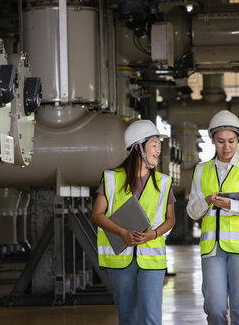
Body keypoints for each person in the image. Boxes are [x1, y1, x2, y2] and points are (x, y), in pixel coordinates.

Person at [91, 119, 176, 325]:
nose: (158, 150)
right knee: (127, 316)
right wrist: (122, 232)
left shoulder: (164, 182)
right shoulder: (111, 178)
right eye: (154, 144)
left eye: (159, 145)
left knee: (151, 316)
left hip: (152, 258)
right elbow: (97, 214)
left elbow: (170, 218)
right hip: (121, 259)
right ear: (138, 147)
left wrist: (153, 234)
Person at [187, 110, 239, 325]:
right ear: (212, 140)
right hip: (213, 249)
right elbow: (193, 211)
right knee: (215, 308)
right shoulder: (201, 170)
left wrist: (232, 205)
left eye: (231, 141)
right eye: (220, 141)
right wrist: (207, 201)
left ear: (238, 139)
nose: (226, 146)